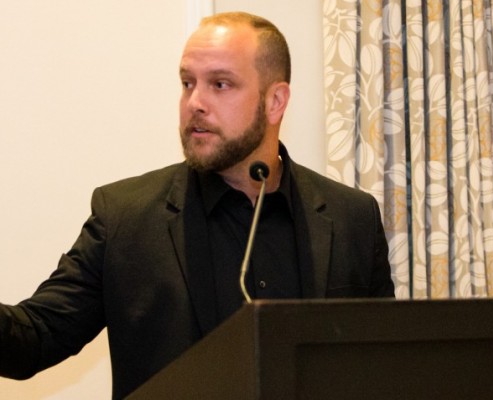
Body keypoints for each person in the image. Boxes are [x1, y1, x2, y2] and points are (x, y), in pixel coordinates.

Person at [0, 11, 394, 399]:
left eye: (220, 84)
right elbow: (35, 336)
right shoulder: (124, 216)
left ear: (275, 101)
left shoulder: (351, 218)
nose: (195, 102)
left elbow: (385, 365)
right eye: (187, 83)